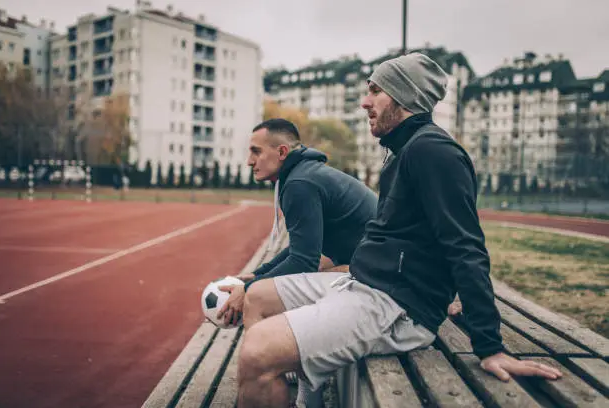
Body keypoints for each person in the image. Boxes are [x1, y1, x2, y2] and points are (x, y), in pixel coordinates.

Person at [235, 53, 562, 408]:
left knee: (256, 352)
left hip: (397, 308)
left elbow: (465, 246)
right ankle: (306, 399)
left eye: (375, 91)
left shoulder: (433, 152)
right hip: (368, 286)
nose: (364, 102)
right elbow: (412, 238)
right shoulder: (402, 152)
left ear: (403, 96)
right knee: (257, 297)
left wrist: (489, 345)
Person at [217, 118, 377, 406]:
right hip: (370, 265)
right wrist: (252, 276)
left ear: (281, 152)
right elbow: (300, 252)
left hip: (379, 277)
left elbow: (303, 261)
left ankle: (266, 369)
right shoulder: (304, 173)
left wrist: (249, 288)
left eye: (256, 152)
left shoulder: (300, 183)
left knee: (256, 298)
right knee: (261, 287)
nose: (248, 161)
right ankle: (302, 392)